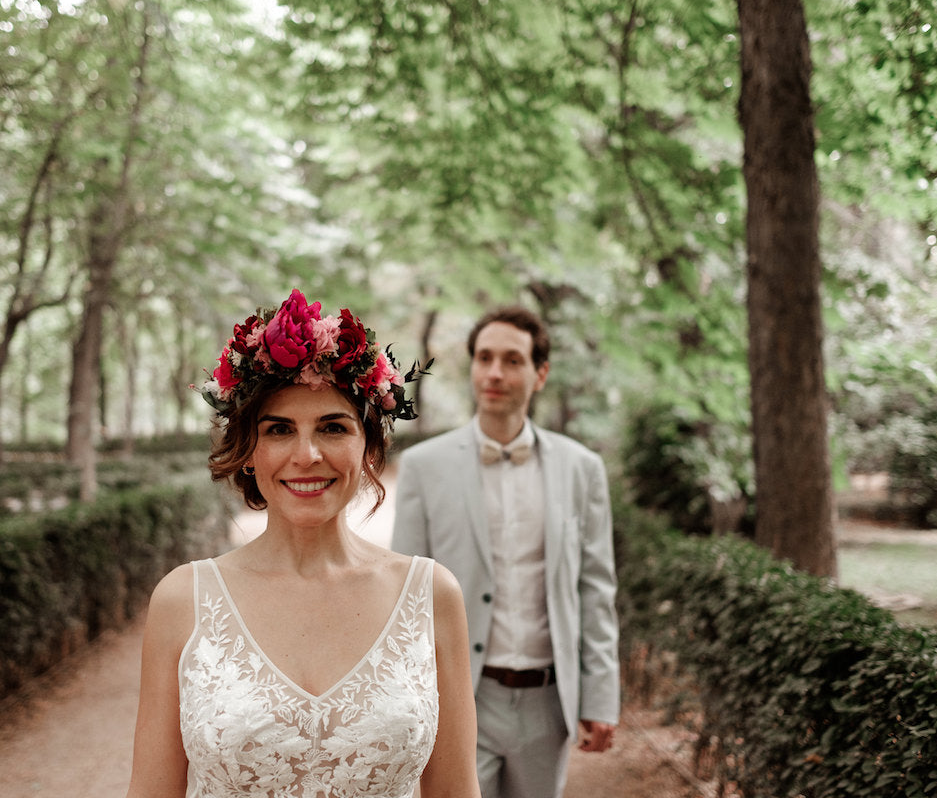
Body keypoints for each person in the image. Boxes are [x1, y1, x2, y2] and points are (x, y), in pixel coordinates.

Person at [125, 288, 480, 798]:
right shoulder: (184, 600)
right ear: (248, 451)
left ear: (369, 449)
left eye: (333, 427)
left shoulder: (431, 594)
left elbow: (456, 792)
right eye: (278, 430)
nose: (307, 454)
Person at [391, 306, 620, 798]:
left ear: (540, 374)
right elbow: (405, 598)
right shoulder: (422, 467)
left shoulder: (583, 469)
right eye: (484, 358)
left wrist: (600, 696)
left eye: (512, 360)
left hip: (547, 702)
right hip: (458, 696)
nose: (494, 373)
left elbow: (596, 588)